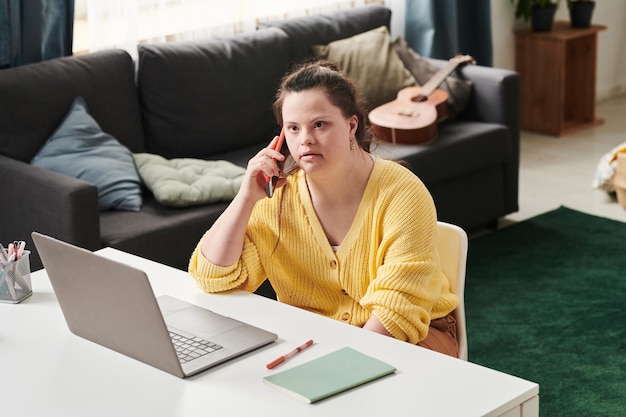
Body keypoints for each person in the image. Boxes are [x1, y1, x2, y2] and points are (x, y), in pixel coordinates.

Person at [188, 60, 460, 357]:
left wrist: (341, 364)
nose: (305, 139)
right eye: (293, 128)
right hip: (316, 341)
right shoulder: (277, 199)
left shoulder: (402, 192)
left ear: (351, 125)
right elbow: (213, 277)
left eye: (319, 124)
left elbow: (397, 309)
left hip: (410, 337)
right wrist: (245, 198)